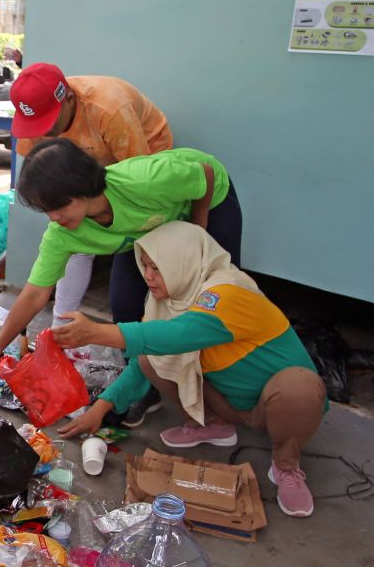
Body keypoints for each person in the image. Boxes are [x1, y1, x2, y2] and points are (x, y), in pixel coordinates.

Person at [53, 222, 326, 518]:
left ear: (181, 262)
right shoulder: (168, 300)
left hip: (274, 406)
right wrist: (100, 409)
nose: (148, 276)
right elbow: (147, 357)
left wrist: (96, 333)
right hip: (229, 401)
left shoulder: (228, 292)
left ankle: (286, 466)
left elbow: (180, 335)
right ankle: (212, 423)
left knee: (299, 387)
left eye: (157, 267)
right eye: (143, 265)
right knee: (149, 358)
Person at [0, 138, 242, 372]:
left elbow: (203, 173)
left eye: (59, 205)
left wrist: (197, 227)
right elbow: (35, 293)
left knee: (215, 293)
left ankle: (222, 371)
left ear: (82, 186)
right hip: (147, 230)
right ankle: (140, 383)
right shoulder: (62, 233)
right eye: (46, 210)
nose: (54, 217)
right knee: (124, 305)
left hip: (208, 197)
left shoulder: (143, 181)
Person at [10, 62, 174, 426]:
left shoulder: (109, 110)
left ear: (67, 98)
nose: (42, 135)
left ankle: (143, 382)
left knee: (133, 277)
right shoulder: (37, 115)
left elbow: (138, 182)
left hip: (137, 167)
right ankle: (60, 339)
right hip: (82, 182)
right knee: (77, 241)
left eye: (49, 126)